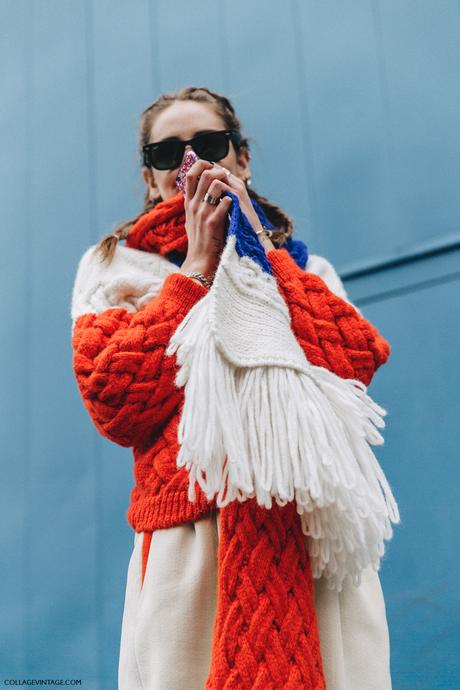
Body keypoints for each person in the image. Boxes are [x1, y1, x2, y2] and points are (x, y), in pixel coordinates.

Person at [70, 86, 397, 690]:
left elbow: (353, 361)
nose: (189, 161)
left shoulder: (304, 269)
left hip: (308, 536)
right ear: (150, 176)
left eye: (209, 144)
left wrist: (260, 253)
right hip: (187, 543)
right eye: (168, 152)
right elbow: (115, 401)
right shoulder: (115, 271)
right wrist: (195, 270)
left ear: (241, 158)